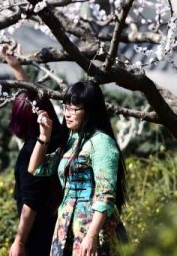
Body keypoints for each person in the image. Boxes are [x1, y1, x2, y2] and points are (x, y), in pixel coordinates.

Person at [28, 80, 128, 256]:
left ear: (90, 110)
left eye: (74, 109)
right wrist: (44, 136)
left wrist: (92, 235)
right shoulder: (72, 140)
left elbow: (106, 196)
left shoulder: (102, 143)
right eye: (65, 107)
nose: (67, 113)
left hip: (93, 229)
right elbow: (36, 168)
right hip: (65, 227)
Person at [5, 48, 69, 256]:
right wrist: (17, 69)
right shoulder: (56, 133)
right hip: (56, 225)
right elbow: (35, 101)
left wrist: (19, 241)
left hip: (38, 234)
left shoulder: (32, 151)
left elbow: (30, 202)